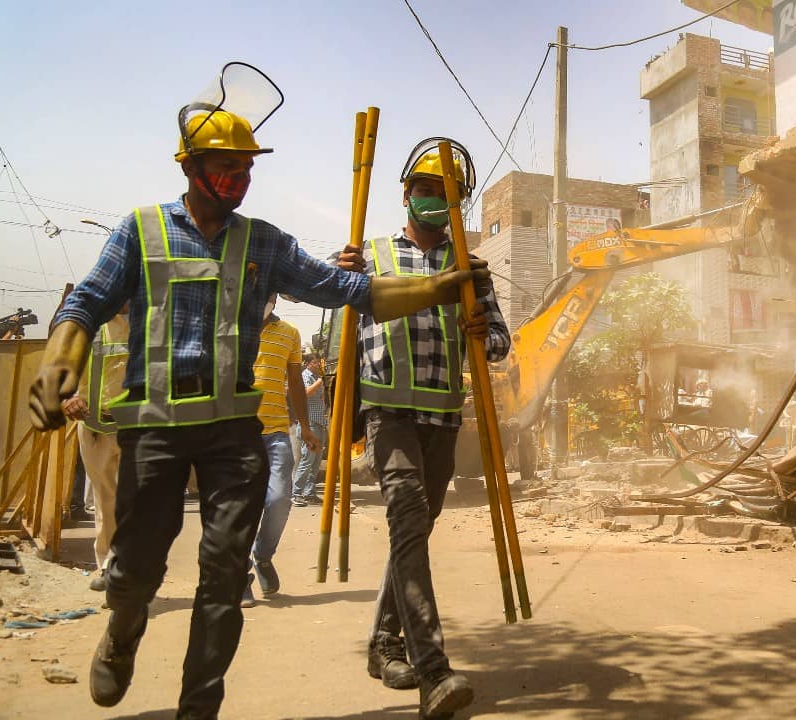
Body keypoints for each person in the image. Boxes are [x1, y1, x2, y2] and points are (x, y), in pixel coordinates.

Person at [27, 106, 489, 720]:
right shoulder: (139, 230)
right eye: (225, 165)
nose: (239, 178)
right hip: (156, 432)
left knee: (223, 581)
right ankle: (122, 628)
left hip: (234, 436)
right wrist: (57, 362)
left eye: (246, 167)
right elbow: (85, 303)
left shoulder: (263, 242)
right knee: (136, 568)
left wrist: (441, 286)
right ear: (189, 167)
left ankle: (199, 708)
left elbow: (352, 292)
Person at [349, 137, 508, 720]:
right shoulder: (371, 256)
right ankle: (433, 670)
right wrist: (338, 277)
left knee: (413, 531)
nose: (433, 201)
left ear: (458, 202)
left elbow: (498, 341)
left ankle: (384, 643)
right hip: (388, 413)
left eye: (444, 194)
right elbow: (335, 303)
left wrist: (479, 332)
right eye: (423, 191)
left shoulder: (471, 268)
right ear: (406, 195)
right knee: (409, 515)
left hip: (443, 417)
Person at [243, 297, 319, 607]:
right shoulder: (228, 327)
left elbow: (296, 384)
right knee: (241, 509)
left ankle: (262, 556)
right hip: (236, 433)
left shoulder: (289, 333)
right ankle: (239, 576)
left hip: (275, 431)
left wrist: (306, 427)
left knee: (278, 499)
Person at [61, 309, 129, 592]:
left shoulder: (153, 320)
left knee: (138, 499)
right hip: (95, 427)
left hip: (137, 427)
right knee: (104, 499)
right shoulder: (90, 325)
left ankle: (132, 566)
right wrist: (69, 396)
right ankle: (107, 564)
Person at [291, 352, 327, 506]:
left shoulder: (316, 377)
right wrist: (320, 382)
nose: (318, 364)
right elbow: (305, 393)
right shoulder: (305, 376)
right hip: (310, 424)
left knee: (316, 461)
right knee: (307, 460)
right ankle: (296, 493)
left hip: (320, 423)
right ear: (307, 364)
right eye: (314, 362)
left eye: (318, 362)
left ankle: (309, 493)